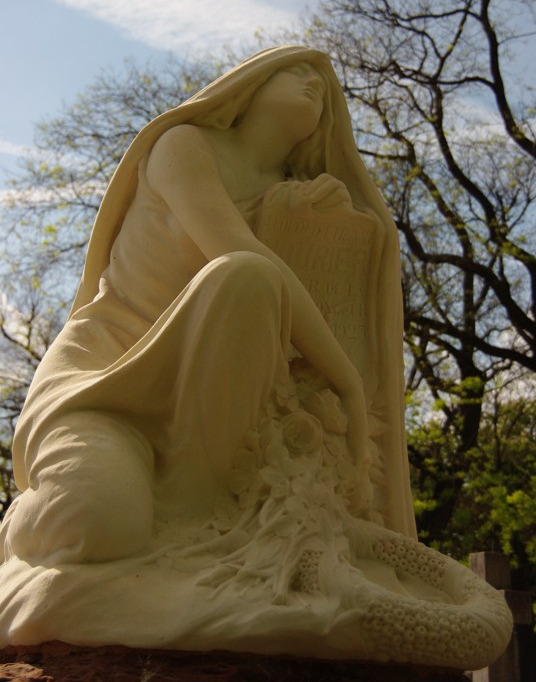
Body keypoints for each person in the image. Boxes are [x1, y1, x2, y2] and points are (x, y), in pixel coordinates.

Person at [0, 47, 511, 668]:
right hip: (103, 387)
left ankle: (194, 527)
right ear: (248, 87)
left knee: (248, 283)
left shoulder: (295, 196)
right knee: (98, 522)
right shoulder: (184, 146)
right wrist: (348, 382)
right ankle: (18, 539)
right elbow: (240, 253)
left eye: (324, 84)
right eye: (296, 70)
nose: (314, 83)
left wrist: (322, 228)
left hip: (206, 411)